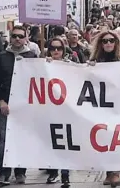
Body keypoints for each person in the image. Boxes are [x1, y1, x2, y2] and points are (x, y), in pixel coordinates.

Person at [0, 25, 37, 185]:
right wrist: (0, 101)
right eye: (14, 36)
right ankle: (4, 172)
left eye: (20, 36)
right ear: (11, 38)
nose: (17, 39)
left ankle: (20, 172)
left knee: (21, 138)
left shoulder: (32, 56)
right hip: (6, 105)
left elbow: (38, 81)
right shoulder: (2, 56)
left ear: (26, 38)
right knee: (4, 139)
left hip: (25, 105)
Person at [88, 30, 120, 187]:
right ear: (100, 44)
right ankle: (108, 172)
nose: (108, 43)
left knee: (116, 137)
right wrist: (88, 68)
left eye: (111, 40)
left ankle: (116, 172)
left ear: (117, 43)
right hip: (101, 105)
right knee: (104, 138)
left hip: (119, 104)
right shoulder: (94, 61)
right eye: (105, 41)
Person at [44, 38, 72, 186]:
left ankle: (65, 174)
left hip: (66, 111)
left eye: (59, 48)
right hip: (49, 110)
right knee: (51, 142)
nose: (56, 51)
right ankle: (53, 172)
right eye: (53, 48)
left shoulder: (70, 65)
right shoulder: (43, 65)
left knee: (65, 142)